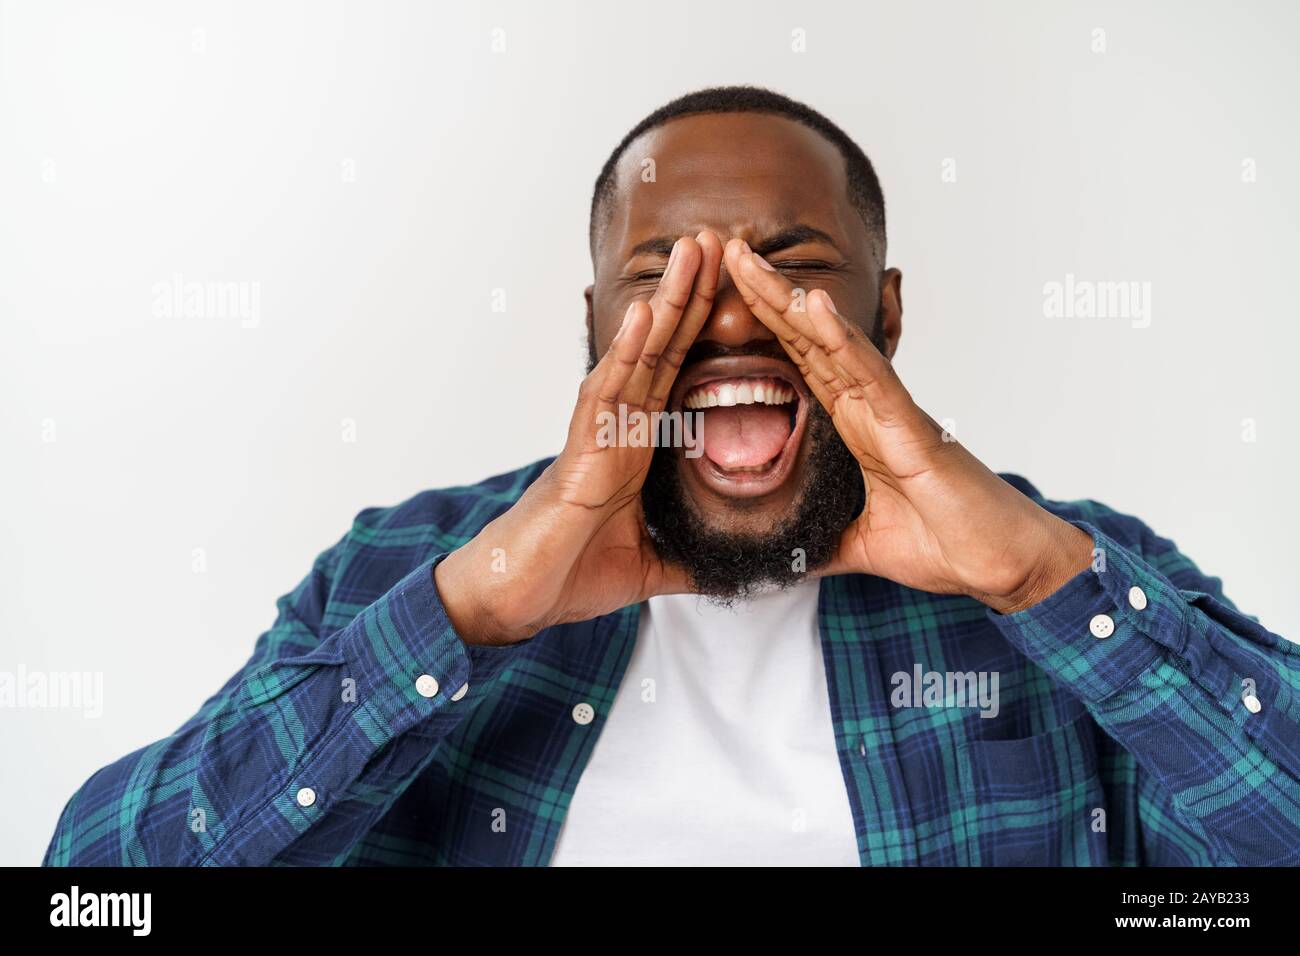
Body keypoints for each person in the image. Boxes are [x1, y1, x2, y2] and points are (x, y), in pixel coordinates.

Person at [45, 86, 1300, 867]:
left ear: (889, 314)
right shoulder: (405, 571)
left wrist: (1041, 583)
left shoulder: (1068, 571)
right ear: (594, 325)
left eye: (788, 266)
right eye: (665, 281)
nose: (729, 323)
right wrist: (465, 616)